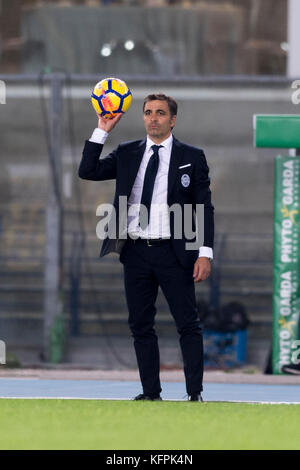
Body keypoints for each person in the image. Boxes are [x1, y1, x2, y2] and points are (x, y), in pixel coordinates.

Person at [78, 94, 214, 401]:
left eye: (160, 113)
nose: (153, 118)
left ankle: (195, 394)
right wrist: (102, 130)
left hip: (174, 252)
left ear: (172, 120)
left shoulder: (192, 156)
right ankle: (151, 392)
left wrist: (205, 252)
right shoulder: (127, 152)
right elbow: (88, 171)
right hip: (136, 251)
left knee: (187, 324)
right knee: (140, 324)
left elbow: (205, 207)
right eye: (148, 112)